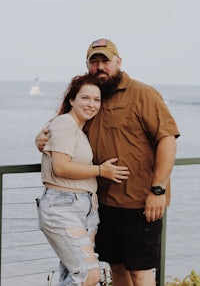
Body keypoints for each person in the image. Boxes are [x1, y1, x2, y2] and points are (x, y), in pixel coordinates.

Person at [35, 39, 180, 286]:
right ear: (88, 65)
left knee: (140, 273)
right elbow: (61, 129)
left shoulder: (142, 94)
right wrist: (39, 139)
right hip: (101, 203)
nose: (100, 66)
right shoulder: (92, 97)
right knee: (117, 269)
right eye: (94, 62)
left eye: (106, 61)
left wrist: (158, 189)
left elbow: (167, 139)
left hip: (139, 203)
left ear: (119, 62)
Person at [36, 73, 130, 286]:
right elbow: (61, 167)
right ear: (72, 99)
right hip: (63, 207)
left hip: (84, 208)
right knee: (89, 276)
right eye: (85, 98)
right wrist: (100, 171)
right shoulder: (65, 123)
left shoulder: (79, 128)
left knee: (74, 275)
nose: (91, 104)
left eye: (96, 100)